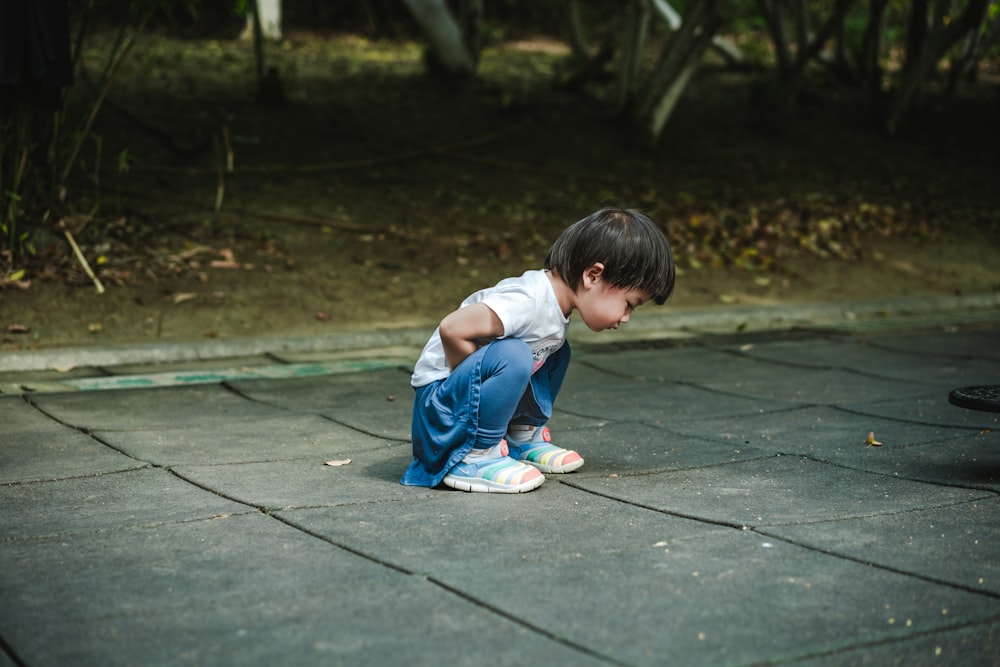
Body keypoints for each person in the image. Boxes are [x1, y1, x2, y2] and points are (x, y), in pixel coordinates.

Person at [400, 207, 676, 493]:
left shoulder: (556, 308)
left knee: (555, 351)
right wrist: (473, 391)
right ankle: (477, 455)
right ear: (593, 275)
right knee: (515, 355)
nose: (626, 317)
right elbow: (452, 328)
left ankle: (521, 437)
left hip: (455, 408)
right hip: (440, 415)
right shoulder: (528, 300)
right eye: (629, 304)